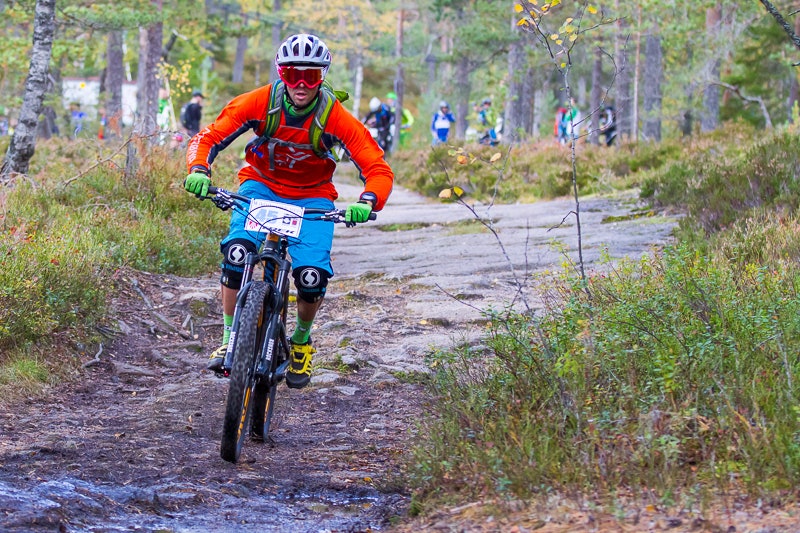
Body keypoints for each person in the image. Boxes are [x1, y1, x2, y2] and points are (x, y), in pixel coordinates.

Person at [183, 33, 394, 389]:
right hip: (260, 185)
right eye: (292, 73)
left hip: (313, 197)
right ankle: (229, 337)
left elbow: (377, 168)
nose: (300, 83)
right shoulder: (260, 102)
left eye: (310, 76)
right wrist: (199, 170)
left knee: (311, 276)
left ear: (322, 77)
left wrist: (367, 201)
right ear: (281, 73)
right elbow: (207, 137)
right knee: (237, 254)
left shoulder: (335, 117)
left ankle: (300, 340)